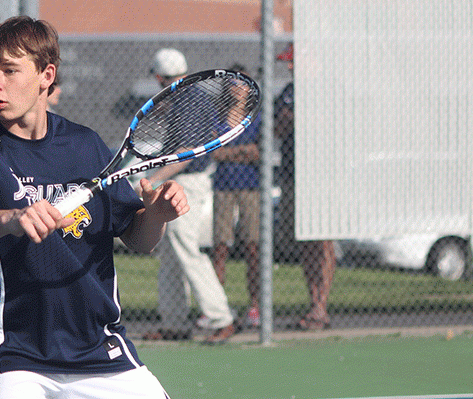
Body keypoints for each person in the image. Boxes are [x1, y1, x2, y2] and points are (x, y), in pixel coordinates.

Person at [0, 16, 236, 399]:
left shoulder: (84, 145)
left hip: (98, 345)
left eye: (9, 70)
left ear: (46, 76)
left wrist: (157, 214)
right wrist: (12, 219)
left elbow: (138, 239)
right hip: (15, 345)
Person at [141, 48, 234, 343]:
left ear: (159, 77)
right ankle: (174, 321)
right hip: (180, 180)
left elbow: (186, 156)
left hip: (189, 182)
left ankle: (221, 317)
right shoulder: (187, 96)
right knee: (169, 248)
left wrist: (152, 180)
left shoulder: (188, 100)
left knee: (184, 244)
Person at [274, 43, 335, 330]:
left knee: (322, 240)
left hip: (321, 175)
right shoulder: (288, 92)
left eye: (294, 61)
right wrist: (293, 120)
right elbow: (276, 129)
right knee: (305, 242)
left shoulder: (327, 89)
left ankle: (321, 306)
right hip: (292, 174)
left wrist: (300, 119)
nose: (290, 67)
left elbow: (327, 125)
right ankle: (313, 303)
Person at [210, 64, 262, 340]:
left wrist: (235, 151)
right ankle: (218, 308)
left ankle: (255, 307)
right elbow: (214, 153)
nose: (237, 89)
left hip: (251, 188)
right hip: (223, 188)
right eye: (233, 83)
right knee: (220, 246)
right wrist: (238, 152)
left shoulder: (256, 117)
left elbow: (257, 152)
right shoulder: (218, 117)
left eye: (242, 84)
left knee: (253, 246)